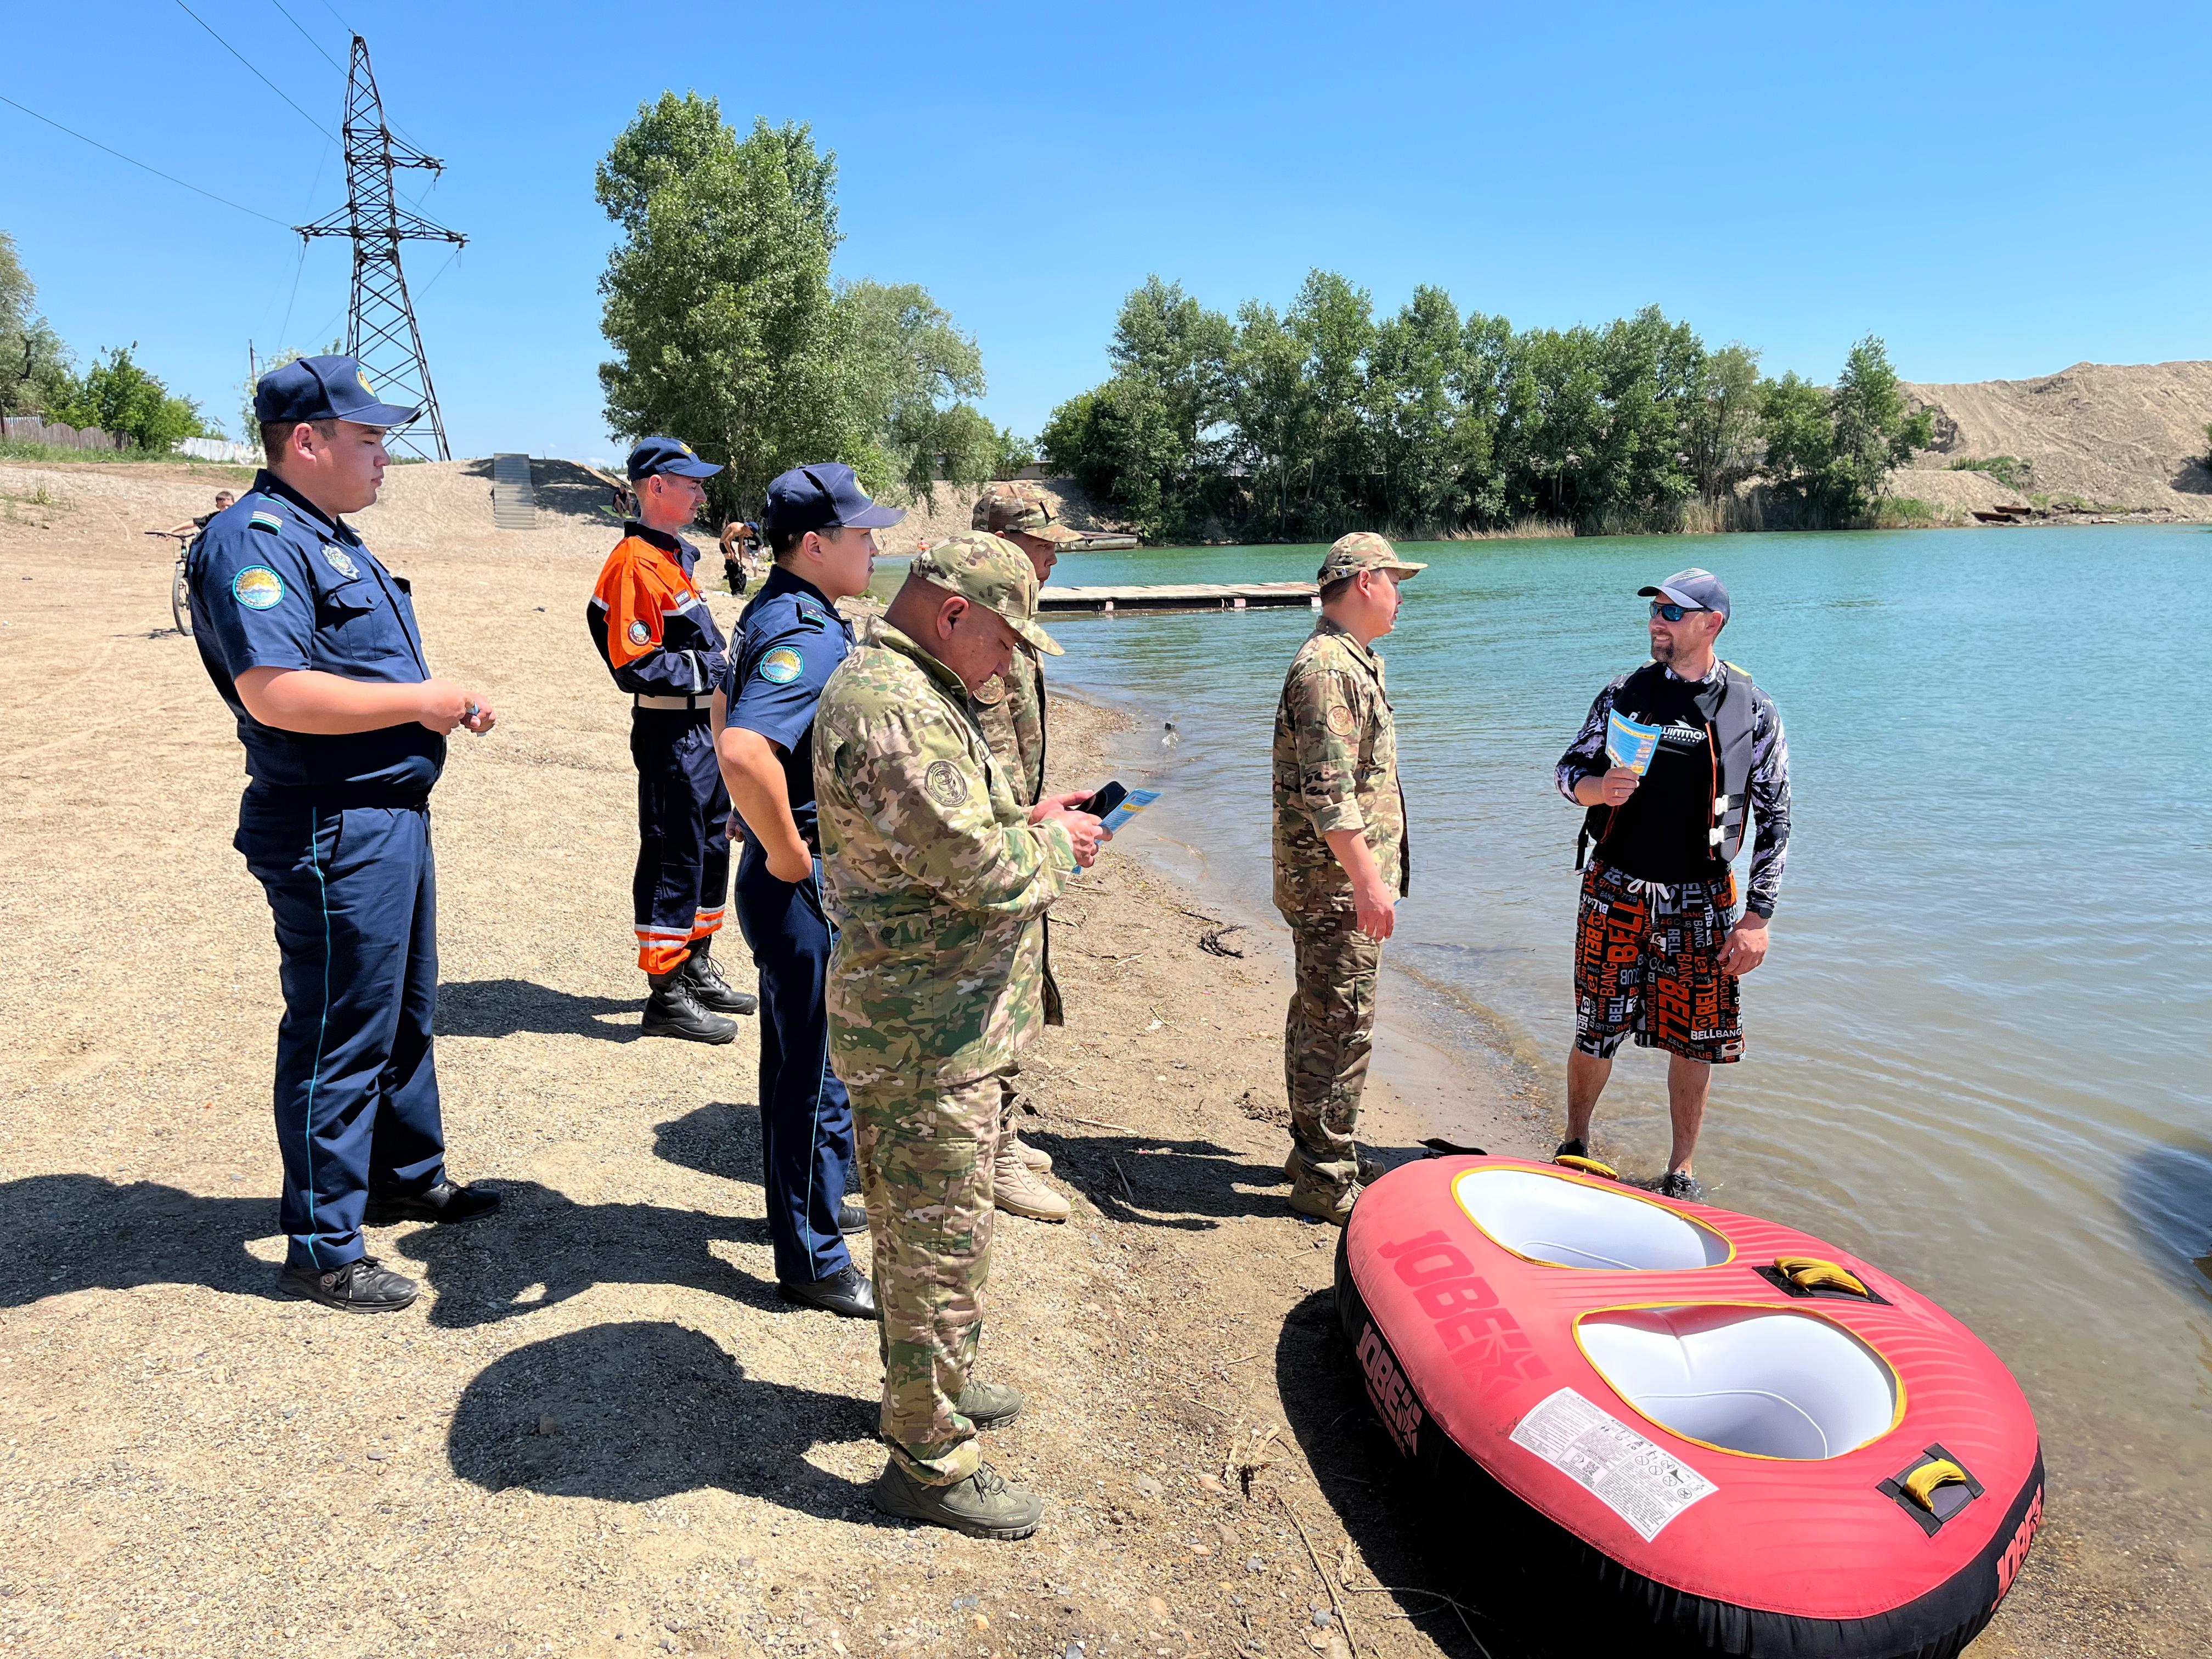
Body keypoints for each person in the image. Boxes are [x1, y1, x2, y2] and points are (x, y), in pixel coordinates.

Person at [183, 354, 500, 1313]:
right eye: (367, 439)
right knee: (339, 1029)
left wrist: (433, 703)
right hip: (332, 823)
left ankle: (402, 1174)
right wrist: (422, 700)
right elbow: (275, 692)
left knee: (403, 1011)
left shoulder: (330, 537)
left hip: (387, 814)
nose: (383, 457)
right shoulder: (254, 539)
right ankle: (323, 1247)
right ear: (306, 440)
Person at [815, 533, 1108, 1540]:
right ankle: (928, 1462)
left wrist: (1027, 810)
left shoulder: (912, 688)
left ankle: (932, 1386)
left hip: (941, 1026)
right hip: (921, 1036)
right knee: (933, 1249)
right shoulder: (892, 703)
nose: (1009, 662)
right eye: (1007, 640)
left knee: (941, 1237)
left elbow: (944, 826)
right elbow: (981, 870)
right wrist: (1057, 845)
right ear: (952, 614)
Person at [713, 464, 901, 1320]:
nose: (875, 548)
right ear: (816, 545)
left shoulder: (778, 609)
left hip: (787, 870)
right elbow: (742, 747)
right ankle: (814, 1260)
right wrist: (789, 850)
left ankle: (807, 1213)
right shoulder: (809, 631)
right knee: (816, 1079)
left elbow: (723, 705)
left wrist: (752, 817)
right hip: (803, 879)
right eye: (862, 535)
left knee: (798, 1065)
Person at [1553, 567, 1791, 1200]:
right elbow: (1568, 770)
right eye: (1655, 610)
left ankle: (1680, 1170)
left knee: (1697, 1039)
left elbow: (1776, 818)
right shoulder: (1624, 693)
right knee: (1597, 1024)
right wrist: (1597, 789)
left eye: (1672, 612)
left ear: (1712, 624)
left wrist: (1759, 917)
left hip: (1703, 898)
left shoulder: (1751, 708)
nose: (1657, 621)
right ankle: (1575, 1143)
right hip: (1616, 888)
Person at [1272, 532, 1424, 1226]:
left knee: (1323, 1014)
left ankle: (1312, 1154)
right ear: (1365, 581)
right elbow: (1329, 795)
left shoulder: (1348, 660)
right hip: (1334, 884)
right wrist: (1367, 881)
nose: (1401, 597)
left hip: (1330, 879)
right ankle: (1325, 1177)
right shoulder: (1329, 670)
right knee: (1341, 1026)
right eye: (1395, 582)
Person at [586, 437, 757, 1040]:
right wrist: (718, 668)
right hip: (672, 730)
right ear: (656, 486)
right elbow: (634, 662)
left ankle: (695, 964)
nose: (702, 495)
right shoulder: (634, 562)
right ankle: (665, 993)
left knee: (710, 845)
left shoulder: (671, 557)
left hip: (701, 727)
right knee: (673, 852)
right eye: (693, 484)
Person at [968, 483, 1085, 1223]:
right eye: (1044, 546)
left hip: (1017, 828)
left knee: (1016, 983)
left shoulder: (1005, 617)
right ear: (1005, 543)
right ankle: (997, 1151)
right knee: (1002, 992)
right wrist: (1026, 832)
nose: (1053, 560)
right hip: (996, 844)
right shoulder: (980, 626)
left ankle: (999, 1128)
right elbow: (990, 756)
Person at [165, 489, 235, 539]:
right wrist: (172, 530)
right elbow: (195, 522)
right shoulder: (214, 517)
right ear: (218, 506)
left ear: (235, 504)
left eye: (229, 506)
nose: (226, 508)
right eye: (222, 506)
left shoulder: (240, 516)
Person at [718, 519, 760, 596]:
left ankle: (739, 589)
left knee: (737, 566)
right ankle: (736, 591)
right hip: (724, 544)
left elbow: (740, 545)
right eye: (751, 534)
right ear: (749, 528)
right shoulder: (738, 529)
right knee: (732, 565)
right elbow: (726, 541)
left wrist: (741, 560)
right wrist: (732, 553)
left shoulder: (743, 531)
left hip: (728, 544)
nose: (751, 536)